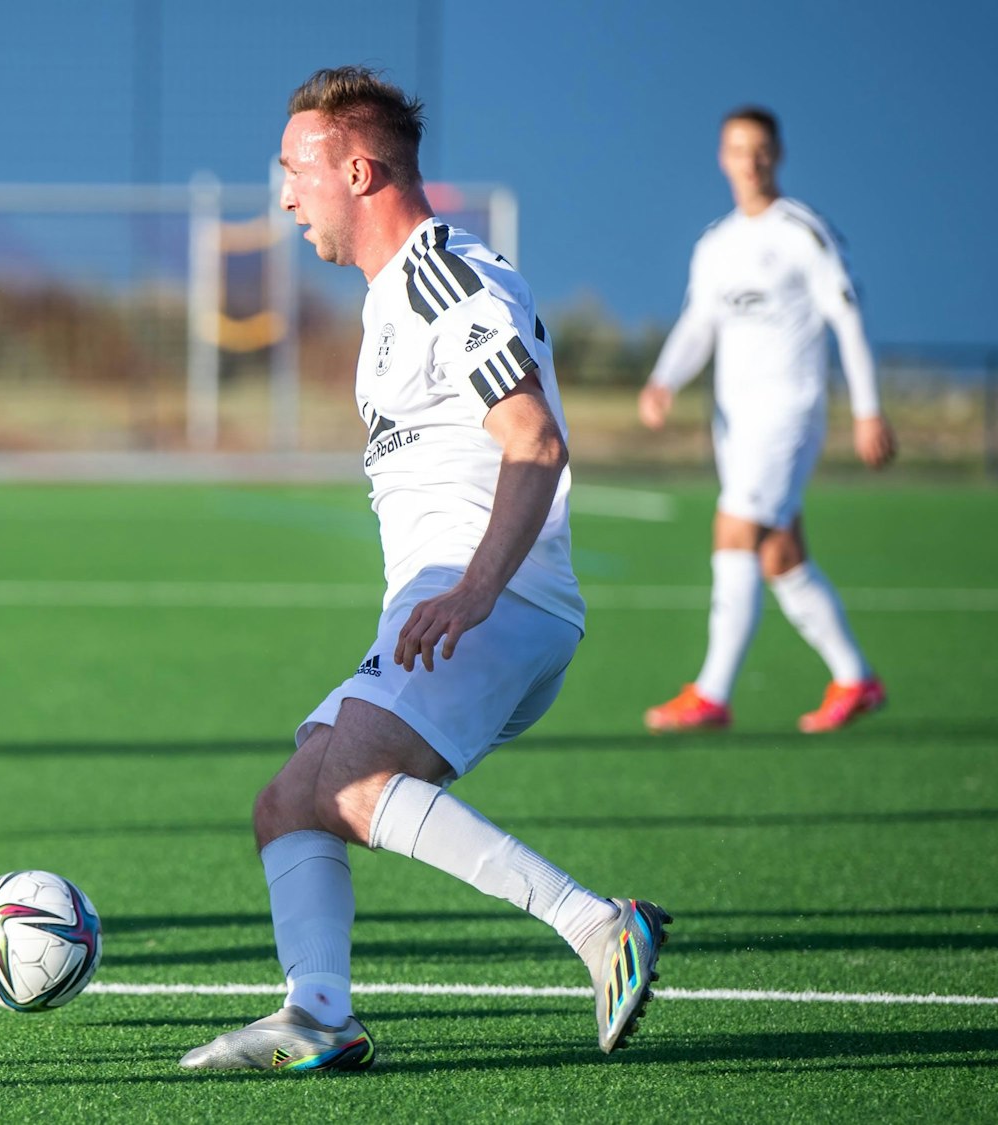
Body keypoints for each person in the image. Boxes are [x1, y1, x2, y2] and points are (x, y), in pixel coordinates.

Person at [178, 68, 668, 1074]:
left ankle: (595, 927)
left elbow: (531, 442)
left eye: (293, 170)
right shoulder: (390, 298)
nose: (281, 197)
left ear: (355, 170)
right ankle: (317, 1012)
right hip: (450, 606)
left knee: (354, 782)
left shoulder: (447, 277)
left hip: (496, 603)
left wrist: (476, 589)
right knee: (289, 800)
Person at [639, 106, 894, 735]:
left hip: (789, 412)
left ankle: (711, 693)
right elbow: (699, 323)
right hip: (735, 423)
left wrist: (868, 411)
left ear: (776, 155)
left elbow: (847, 321)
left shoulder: (802, 232)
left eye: (760, 150)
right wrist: (665, 379)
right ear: (722, 157)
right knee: (781, 555)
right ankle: (855, 679)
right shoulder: (716, 243)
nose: (749, 161)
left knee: (734, 531)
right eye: (737, 149)